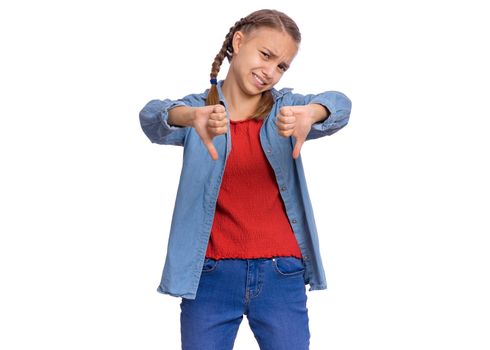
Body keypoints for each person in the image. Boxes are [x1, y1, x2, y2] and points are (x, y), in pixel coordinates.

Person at [139, 8, 351, 350]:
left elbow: (341, 105)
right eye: (265, 55)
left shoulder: (286, 113)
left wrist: (312, 113)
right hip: (209, 277)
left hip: (281, 274)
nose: (270, 72)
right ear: (239, 42)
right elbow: (151, 117)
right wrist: (191, 117)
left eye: (281, 66)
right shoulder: (203, 113)